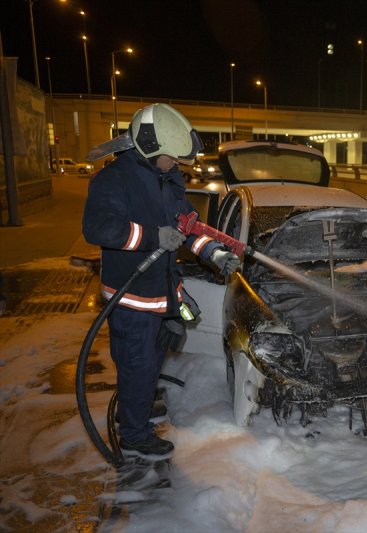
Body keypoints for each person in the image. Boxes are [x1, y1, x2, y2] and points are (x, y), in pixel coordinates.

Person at [82, 103, 240, 460]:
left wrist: (213, 252)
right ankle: (135, 436)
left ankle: (133, 409)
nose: (176, 164)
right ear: (149, 148)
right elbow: (99, 228)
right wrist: (152, 236)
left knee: (149, 364)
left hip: (163, 291)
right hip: (131, 298)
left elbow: (187, 226)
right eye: (171, 158)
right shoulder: (114, 180)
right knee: (137, 365)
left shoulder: (168, 179)